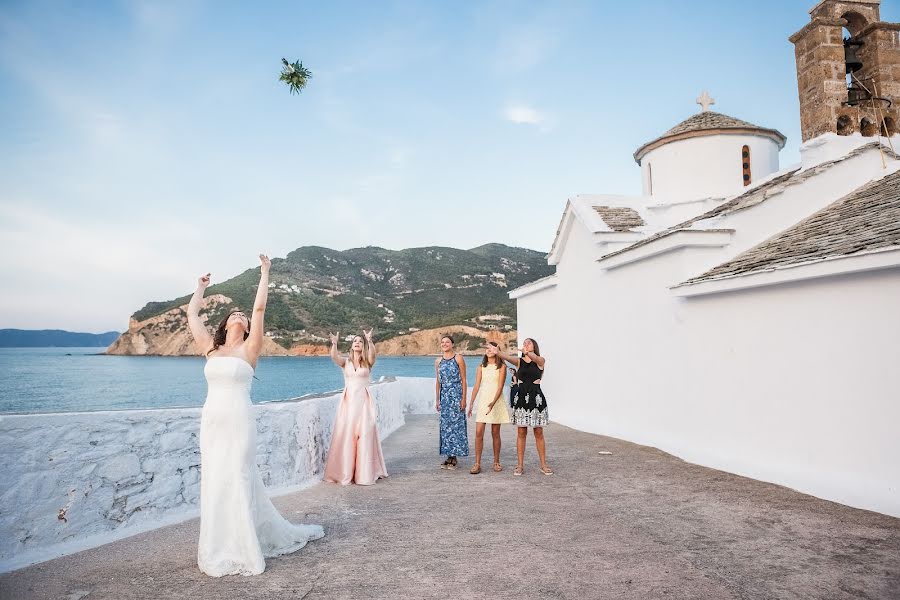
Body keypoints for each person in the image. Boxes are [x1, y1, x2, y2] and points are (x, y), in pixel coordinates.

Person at [187, 255, 324, 577]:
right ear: (224, 324)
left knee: (238, 475)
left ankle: (244, 545)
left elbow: (260, 308)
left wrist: (265, 273)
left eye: (243, 316)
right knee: (216, 480)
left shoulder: (250, 349)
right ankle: (219, 544)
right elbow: (192, 314)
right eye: (234, 314)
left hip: (239, 420)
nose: (240, 316)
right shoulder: (210, 348)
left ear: (248, 327)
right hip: (212, 421)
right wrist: (200, 288)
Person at [324, 328, 389, 485]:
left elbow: (373, 354)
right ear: (351, 346)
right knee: (347, 436)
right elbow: (334, 357)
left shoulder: (368, 361)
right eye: (355, 341)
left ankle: (364, 474)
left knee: (364, 435)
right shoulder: (345, 362)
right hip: (348, 403)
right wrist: (334, 343)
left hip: (364, 403)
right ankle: (346, 472)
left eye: (360, 341)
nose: (357, 343)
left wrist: (370, 340)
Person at [497, 338, 553, 476]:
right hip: (521, 398)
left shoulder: (540, 360)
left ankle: (543, 465)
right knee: (521, 432)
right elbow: (507, 357)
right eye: (524, 343)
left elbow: (535, 358)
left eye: (529, 342)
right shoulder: (519, 362)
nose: (526, 344)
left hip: (536, 400)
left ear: (534, 345)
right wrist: (497, 352)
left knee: (538, 432)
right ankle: (520, 465)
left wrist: (529, 353)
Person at [467, 342, 509, 474]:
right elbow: (476, 386)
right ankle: (477, 463)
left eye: (492, 348)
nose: (489, 350)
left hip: (496, 401)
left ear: (497, 350)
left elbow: (500, 387)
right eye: (487, 348)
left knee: (495, 433)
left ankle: (496, 462)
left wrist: (493, 403)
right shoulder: (481, 367)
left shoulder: (502, 366)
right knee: (479, 433)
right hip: (483, 401)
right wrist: (471, 403)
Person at [435, 335, 469, 469]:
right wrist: (437, 399)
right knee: (445, 427)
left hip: (456, 395)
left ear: (452, 344)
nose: (444, 344)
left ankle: (454, 457)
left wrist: (464, 399)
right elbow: (438, 381)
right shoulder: (438, 361)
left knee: (456, 426)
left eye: (447, 342)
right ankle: (448, 456)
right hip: (444, 397)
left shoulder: (458, 358)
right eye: (442, 342)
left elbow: (464, 380)